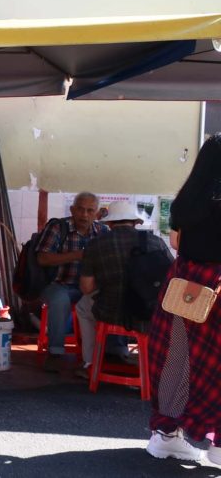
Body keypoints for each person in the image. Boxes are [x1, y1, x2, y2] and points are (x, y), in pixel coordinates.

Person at [145, 134, 221, 463]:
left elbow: (177, 241)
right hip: (216, 289)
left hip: (182, 287)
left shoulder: (187, 199)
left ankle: (166, 435)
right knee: (215, 369)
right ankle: (217, 446)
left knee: (176, 361)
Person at [76, 201, 171, 379]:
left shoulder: (96, 244)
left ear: (110, 223)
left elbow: (86, 288)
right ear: (135, 222)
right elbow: (171, 277)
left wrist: (105, 280)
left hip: (111, 312)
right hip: (147, 313)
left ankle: (90, 363)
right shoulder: (155, 241)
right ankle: (120, 352)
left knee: (82, 307)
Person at [37, 192, 109, 372]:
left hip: (89, 288)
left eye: (90, 211)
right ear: (72, 210)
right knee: (60, 300)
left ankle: (111, 353)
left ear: (96, 213)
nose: (84, 215)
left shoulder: (103, 232)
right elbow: (42, 259)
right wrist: (77, 256)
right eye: (80, 209)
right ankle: (55, 352)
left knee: (112, 297)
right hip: (57, 284)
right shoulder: (57, 227)